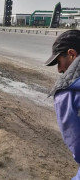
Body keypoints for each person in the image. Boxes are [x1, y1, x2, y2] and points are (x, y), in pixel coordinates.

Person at [44, 30, 80, 180]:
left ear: (71, 54)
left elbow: (77, 142)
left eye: (59, 62)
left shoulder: (67, 94)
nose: (59, 70)